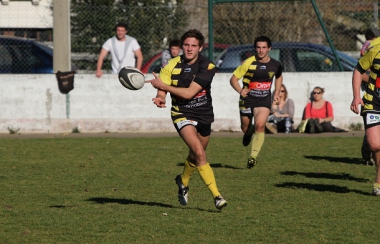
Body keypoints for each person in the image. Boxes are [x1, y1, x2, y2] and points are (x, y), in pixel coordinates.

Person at [147, 29, 227, 210]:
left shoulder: (207, 66)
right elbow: (162, 89)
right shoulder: (170, 65)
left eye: (193, 45)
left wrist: (162, 86)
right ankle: (217, 196)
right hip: (181, 113)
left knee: (195, 155)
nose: (189, 49)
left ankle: (182, 181)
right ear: (182, 46)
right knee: (199, 152)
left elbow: (190, 92)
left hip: (204, 114)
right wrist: (161, 96)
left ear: (200, 47)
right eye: (186, 45)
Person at [229, 35, 283, 169]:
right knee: (246, 129)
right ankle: (248, 132)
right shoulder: (248, 63)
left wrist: (276, 92)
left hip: (263, 100)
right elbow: (233, 79)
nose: (261, 50)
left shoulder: (275, 64)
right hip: (247, 100)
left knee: (260, 125)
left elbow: (279, 76)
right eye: (258, 47)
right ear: (255, 49)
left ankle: (253, 157)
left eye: (264, 47)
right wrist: (240, 90)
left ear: (269, 48)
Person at [351, 40, 380, 196]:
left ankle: (378, 182)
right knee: (375, 145)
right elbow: (358, 70)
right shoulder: (375, 48)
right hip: (372, 103)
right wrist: (356, 97)